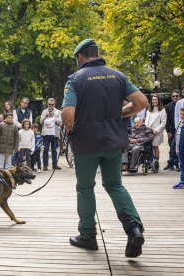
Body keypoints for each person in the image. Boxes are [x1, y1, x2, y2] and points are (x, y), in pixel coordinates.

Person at [61, 39, 148, 258]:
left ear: (80, 57)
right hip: (113, 142)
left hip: (86, 143)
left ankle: (88, 236)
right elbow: (141, 102)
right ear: (96, 54)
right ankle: (134, 228)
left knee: (85, 188)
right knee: (115, 185)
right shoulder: (117, 76)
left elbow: (68, 114)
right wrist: (121, 113)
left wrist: (70, 126)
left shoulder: (75, 80)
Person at [40, 98, 62, 170]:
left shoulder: (58, 112)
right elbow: (41, 122)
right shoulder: (44, 111)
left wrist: (54, 117)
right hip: (46, 134)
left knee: (54, 150)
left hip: (55, 133)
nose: (51, 106)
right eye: (49, 104)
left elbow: (60, 122)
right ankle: (45, 165)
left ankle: (54, 164)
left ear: (54, 104)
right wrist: (46, 117)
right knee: (45, 149)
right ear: (47, 104)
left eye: (52, 104)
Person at [144, 95, 166, 161]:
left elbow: (163, 123)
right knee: (148, 147)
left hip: (156, 132)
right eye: (153, 100)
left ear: (158, 100)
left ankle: (156, 162)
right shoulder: (149, 110)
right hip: (148, 131)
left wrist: (156, 131)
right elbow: (146, 120)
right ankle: (149, 161)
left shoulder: (162, 110)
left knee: (155, 146)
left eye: (156, 99)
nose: (154, 101)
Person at [173, 105, 184, 190]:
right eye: (181, 114)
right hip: (180, 148)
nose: (182, 116)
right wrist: (177, 148)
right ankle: (182, 181)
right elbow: (178, 136)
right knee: (182, 166)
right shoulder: (181, 123)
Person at [164, 90, 181, 170]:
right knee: (171, 147)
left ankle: (177, 163)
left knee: (178, 147)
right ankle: (170, 163)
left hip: (180, 129)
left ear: (179, 96)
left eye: (177, 96)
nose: (175, 97)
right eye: (173, 96)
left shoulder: (182, 105)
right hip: (171, 129)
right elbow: (166, 120)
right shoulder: (168, 106)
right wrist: (168, 131)